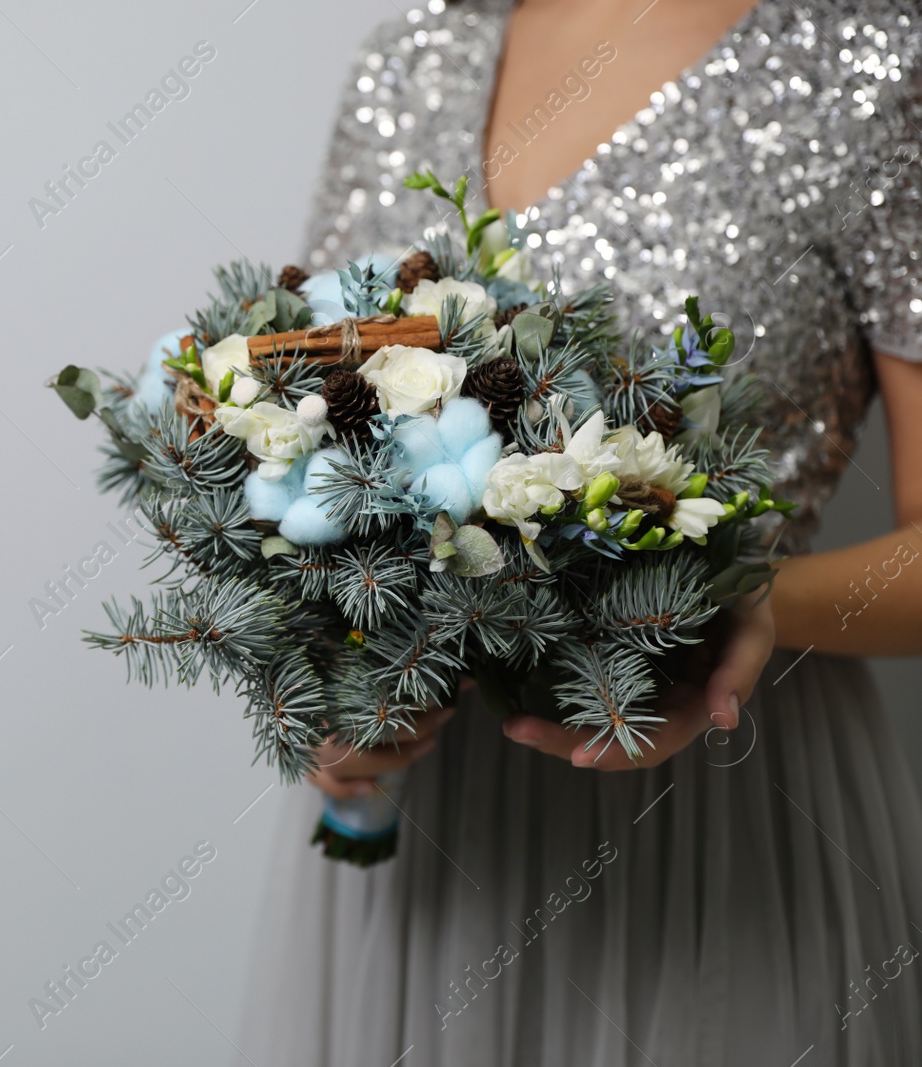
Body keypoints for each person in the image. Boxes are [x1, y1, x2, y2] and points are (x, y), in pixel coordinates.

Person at [236, 0, 922, 1063]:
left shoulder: (869, 64)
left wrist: (744, 597)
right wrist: (324, 666)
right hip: (437, 839)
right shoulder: (417, 56)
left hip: (720, 816)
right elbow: (299, 434)